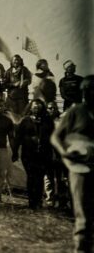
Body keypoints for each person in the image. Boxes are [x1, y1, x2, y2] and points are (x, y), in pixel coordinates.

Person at [51, 75, 94, 252]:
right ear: (85, 92)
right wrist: (65, 153)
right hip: (80, 167)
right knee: (82, 209)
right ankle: (81, 246)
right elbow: (56, 137)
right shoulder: (76, 111)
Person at [15, 99, 55, 209]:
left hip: (43, 154)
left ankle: (38, 202)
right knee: (31, 177)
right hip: (28, 154)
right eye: (34, 107)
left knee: (40, 177)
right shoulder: (25, 121)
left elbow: (53, 138)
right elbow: (18, 137)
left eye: (39, 107)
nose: (36, 109)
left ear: (42, 108)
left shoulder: (48, 121)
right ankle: (32, 202)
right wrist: (14, 152)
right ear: (30, 108)